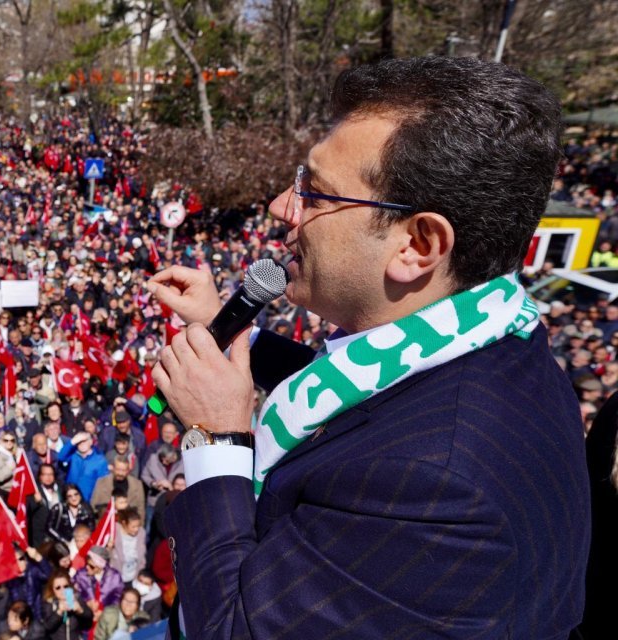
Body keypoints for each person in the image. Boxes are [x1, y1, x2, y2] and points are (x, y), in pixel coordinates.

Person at [149, 56, 588, 637]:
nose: (281, 206)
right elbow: (370, 405)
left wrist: (217, 438)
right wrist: (234, 332)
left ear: (418, 244)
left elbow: (235, 630)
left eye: (316, 193)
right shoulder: (504, 338)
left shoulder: (435, 492)